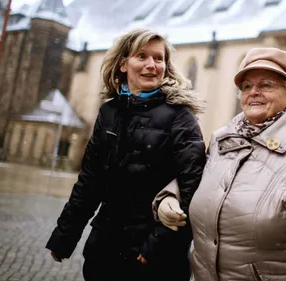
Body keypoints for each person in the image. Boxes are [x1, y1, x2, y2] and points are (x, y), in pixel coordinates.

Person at [154, 47, 286, 281]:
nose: (254, 92)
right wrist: (170, 196)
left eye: (266, 85)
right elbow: (200, 178)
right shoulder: (223, 139)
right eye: (247, 87)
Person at [45, 29, 206, 281]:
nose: (151, 65)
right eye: (141, 56)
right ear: (123, 64)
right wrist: (65, 235)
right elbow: (90, 181)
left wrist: (157, 243)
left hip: (153, 257)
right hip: (104, 247)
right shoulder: (109, 112)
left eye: (158, 58)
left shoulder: (180, 117)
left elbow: (193, 187)